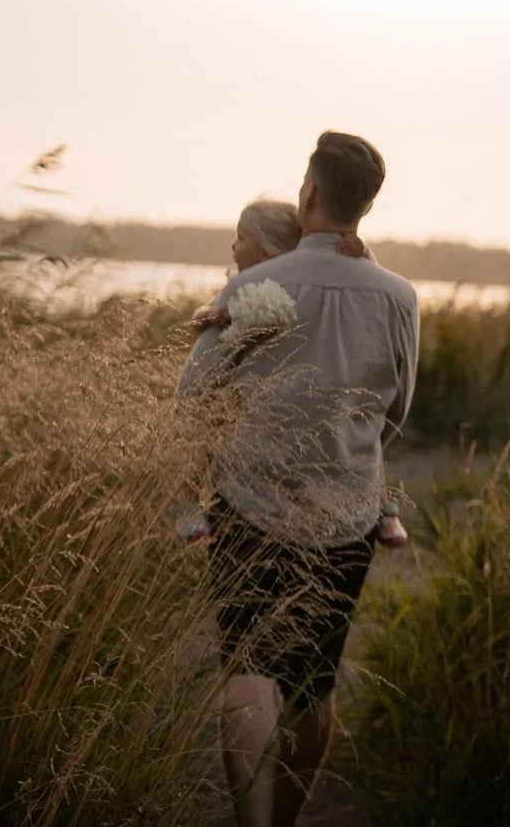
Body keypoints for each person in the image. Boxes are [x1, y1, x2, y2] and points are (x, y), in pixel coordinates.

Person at [176, 132, 420, 827]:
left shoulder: (253, 287)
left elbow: (192, 398)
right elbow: (394, 412)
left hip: (250, 508)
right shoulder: (399, 297)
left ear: (309, 192)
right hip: (344, 516)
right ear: (365, 205)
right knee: (313, 685)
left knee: (249, 670)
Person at [180, 198, 408, 548]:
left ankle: (385, 507)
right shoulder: (242, 285)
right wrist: (207, 314)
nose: (233, 246)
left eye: (241, 238)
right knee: (361, 421)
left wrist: (364, 250)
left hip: (288, 422)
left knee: (361, 418)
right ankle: (187, 500)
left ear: (268, 253)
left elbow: (366, 279)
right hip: (252, 409)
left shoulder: (279, 286)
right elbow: (204, 314)